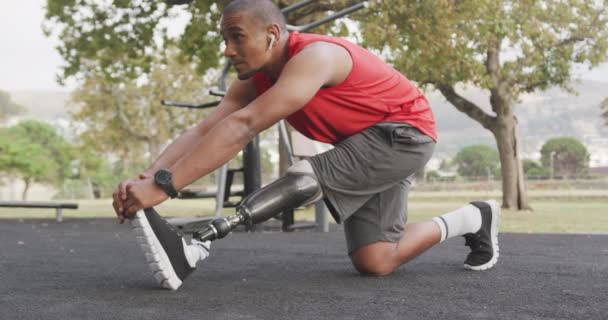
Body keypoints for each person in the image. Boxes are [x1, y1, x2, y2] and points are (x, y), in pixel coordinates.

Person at [112, 0, 500, 290]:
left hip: (403, 135)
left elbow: (243, 126)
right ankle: (473, 218)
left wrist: (163, 188)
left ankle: (198, 242)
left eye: (237, 37)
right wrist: (146, 177)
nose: (228, 50)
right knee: (376, 259)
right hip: (365, 146)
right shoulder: (253, 80)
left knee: (305, 177)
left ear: (272, 35)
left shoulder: (316, 57)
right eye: (225, 38)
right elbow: (205, 129)